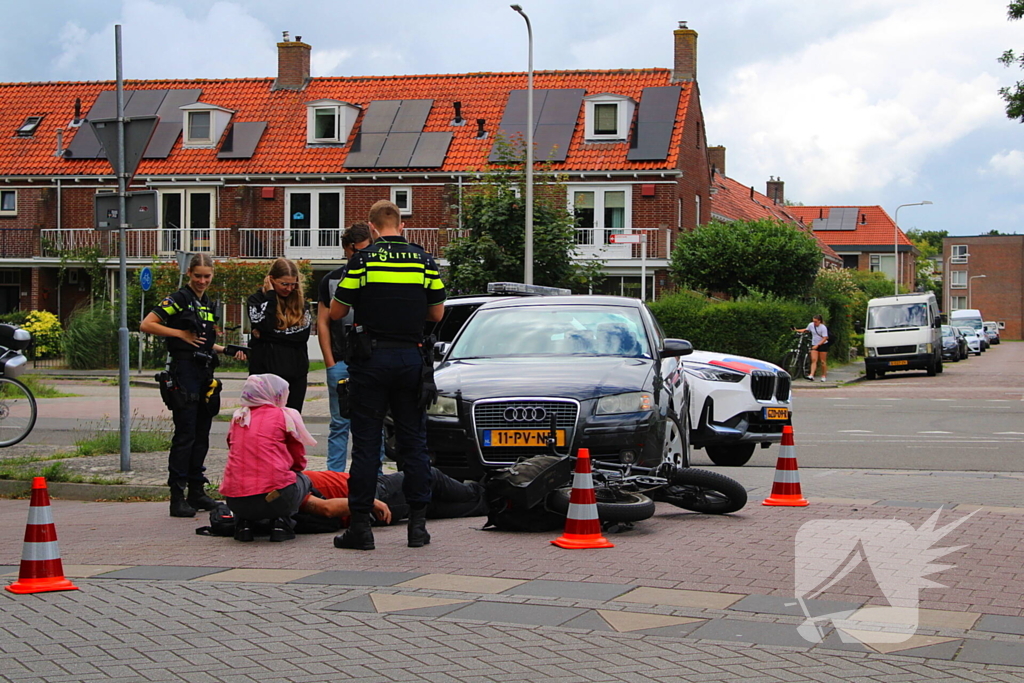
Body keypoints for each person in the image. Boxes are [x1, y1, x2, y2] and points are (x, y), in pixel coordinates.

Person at [330, 199, 446, 550]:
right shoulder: (425, 261)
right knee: (414, 443)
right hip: (411, 358)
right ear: (402, 226)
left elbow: (337, 311)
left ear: (373, 228)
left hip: (371, 360)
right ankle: (418, 528)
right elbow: (437, 314)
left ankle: (361, 529)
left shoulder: (361, 261)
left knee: (366, 444)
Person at [140, 253, 245, 518]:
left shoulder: (206, 302)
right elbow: (147, 324)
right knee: (185, 434)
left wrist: (226, 350)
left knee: (202, 433)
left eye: (206, 276)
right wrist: (179, 334)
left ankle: (197, 491)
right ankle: (177, 496)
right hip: (184, 371)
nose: (202, 281)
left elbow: (202, 341)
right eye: (197, 276)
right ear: (189, 274)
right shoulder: (179, 299)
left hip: (204, 371)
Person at [220, 374, 318, 542]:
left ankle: (244, 524)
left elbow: (233, 447)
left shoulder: (238, 417)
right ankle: (281, 523)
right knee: (303, 479)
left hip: (235, 500)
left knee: (245, 484)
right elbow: (298, 459)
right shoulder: (283, 416)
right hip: (275, 497)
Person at [317, 222, 373, 472]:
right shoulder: (331, 280)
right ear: (348, 250)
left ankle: (375, 477)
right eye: (359, 251)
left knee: (373, 423)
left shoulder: (376, 275)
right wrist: (330, 362)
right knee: (339, 423)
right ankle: (335, 478)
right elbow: (323, 322)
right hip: (340, 362)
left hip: (371, 362)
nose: (364, 256)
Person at [298, 468, 486, 529]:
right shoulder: (284, 485)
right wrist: (368, 502)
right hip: (373, 494)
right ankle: (487, 490)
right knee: (427, 475)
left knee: (429, 505)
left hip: (367, 494)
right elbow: (325, 508)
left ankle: (494, 504)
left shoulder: (277, 479)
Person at [247, 258, 311, 412]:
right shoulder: (256, 300)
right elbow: (265, 325)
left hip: (295, 375)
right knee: (265, 423)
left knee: (290, 423)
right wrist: (270, 296)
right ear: (271, 280)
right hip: (265, 375)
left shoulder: (302, 303)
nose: (289, 289)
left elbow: (301, 336)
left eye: (293, 284)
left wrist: (265, 336)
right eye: (284, 284)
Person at [795, 315, 830, 382]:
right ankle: (811, 375)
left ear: (819, 321)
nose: (814, 323)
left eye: (816, 322)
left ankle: (823, 375)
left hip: (823, 344)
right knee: (814, 360)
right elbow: (806, 330)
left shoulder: (823, 328)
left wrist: (818, 345)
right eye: (813, 321)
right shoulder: (811, 325)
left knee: (823, 361)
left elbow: (825, 337)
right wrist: (797, 330)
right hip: (814, 344)